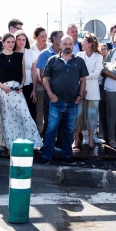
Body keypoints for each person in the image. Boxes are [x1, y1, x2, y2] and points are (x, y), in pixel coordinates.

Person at [39, 35, 88, 164]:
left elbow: (83, 80)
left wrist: (80, 96)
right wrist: (50, 94)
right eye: (65, 44)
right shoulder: (52, 60)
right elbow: (45, 79)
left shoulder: (79, 61)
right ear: (60, 45)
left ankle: (66, 156)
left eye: (70, 44)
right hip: (56, 101)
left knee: (68, 130)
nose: (68, 46)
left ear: (73, 46)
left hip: (73, 102)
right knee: (51, 129)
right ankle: (46, 156)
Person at [0, 33, 42, 150]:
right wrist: (3, 87)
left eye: (12, 42)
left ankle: (28, 142)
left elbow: (24, 73)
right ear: (3, 43)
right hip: (4, 92)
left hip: (17, 90)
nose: (11, 44)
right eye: (8, 42)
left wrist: (22, 84)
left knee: (24, 115)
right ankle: (10, 146)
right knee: (8, 118)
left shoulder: (20, 56)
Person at [75, 33, 103, 149]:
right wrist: (84, 76)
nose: (82, 43)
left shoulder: (98, 57)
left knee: (91, 116)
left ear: (90, 44)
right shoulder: (79, 55)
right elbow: (76, 70)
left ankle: (91, 139)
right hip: (79, 89)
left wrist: (82, 76)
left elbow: (96, 74)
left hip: (92, 90)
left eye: (84, 41)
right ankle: (76, 140)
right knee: (78, 115)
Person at [15, 30, 38, 123]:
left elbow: (34, 73)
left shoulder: (31, 53)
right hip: (15, 88)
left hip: (29, 87)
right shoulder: (11, 54)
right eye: (19, 39)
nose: (21, 42)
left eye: (23, 39)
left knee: (31, 113)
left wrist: (34, 90)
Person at [31, 27, 48, 132]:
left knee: (50, 110)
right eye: (41, 36)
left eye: (45, 36)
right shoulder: (32, 49)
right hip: (38, 84)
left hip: (51, 84)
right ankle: (40, 132)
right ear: (35, 37)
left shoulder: (51, 48)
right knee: (39, 109)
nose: (44, 38)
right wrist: (38, 80)